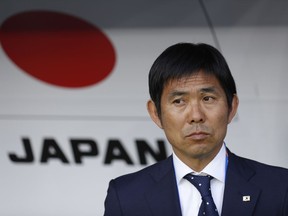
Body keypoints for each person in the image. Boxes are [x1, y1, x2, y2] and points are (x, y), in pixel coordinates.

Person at [104, 42, 288, 216]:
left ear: (232, 107)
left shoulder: (280, 188)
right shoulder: (126, 197)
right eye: (179, 101)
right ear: (155, 113)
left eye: (207, 98)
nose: (196, 115)